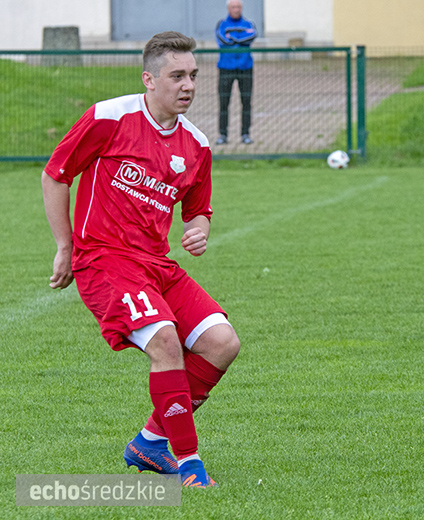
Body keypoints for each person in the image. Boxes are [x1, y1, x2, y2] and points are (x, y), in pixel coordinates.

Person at [42, 31, 241, 488]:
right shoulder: (109, 117)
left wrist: (199, 232)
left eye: (192, 75)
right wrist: (65, 246)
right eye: (177, 76)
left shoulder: (196, 144)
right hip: (104, 260)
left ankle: (151, 441)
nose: (187, 85)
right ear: (149, 80)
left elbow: (199, 209)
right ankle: (189, 463)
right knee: (166, 344)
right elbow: (56, 175)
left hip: (157, 264)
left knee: (221, 343)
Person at [215, 0, 257, 145]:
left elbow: (251, 37)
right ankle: (223, 135)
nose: (236, 9)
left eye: (238, 7)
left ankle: (245, 134)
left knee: (246, 102)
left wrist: (232, 38)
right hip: (226, 68)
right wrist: (239, 39)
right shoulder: (222, 24)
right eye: (233, 7)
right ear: (228, 8)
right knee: (223, 102)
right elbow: (223, 40)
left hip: (245, 67)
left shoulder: (249, 23)